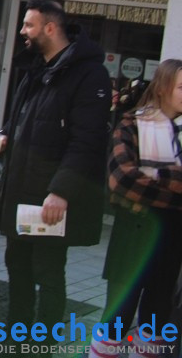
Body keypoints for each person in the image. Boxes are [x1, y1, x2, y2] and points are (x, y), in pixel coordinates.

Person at [0, 0, 111, 334]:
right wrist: (4, 136)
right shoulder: (36, 68)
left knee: (49, 272)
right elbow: (24, 120)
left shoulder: (90, 74)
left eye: (28, 25)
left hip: (50, 198)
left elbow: (88, 141)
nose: (23, 31)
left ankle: (43, 345)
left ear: (50, 28)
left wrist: (60, 192)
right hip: (20, 189)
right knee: (17, 266)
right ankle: (17, 338)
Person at [89, 59, 182, 357]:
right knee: (116, 319)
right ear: (164, 86)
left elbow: (139, 183)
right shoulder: (133, 124)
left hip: (172, 241)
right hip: (133, 236)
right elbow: (122, 179)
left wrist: (154, 176)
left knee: (155, 325)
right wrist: (174, 183)